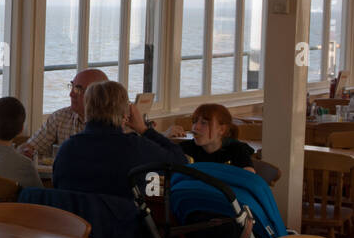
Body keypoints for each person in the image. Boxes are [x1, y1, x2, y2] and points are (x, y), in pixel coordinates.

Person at [53, 81, 188, 198]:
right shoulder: (136, 147)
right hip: (121, 225)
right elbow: (180, 162)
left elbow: (58, 188)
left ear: (87, 109)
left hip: (75, 225)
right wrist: (144, 129)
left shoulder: (67, 149)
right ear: (125, 113)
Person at [20, 68, 108, 159]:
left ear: (98, 96)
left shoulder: (118, 123)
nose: (71, 94)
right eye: (72, 87)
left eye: (78, 89)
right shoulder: (60, 117)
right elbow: (30, 147)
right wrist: (26, 151)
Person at [169, 103, 256, 170]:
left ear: (221, 129)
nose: (196, 127)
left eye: (204, 123)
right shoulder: (185, 148)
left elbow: (249, 180)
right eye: (194, 122)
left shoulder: (238, 150)